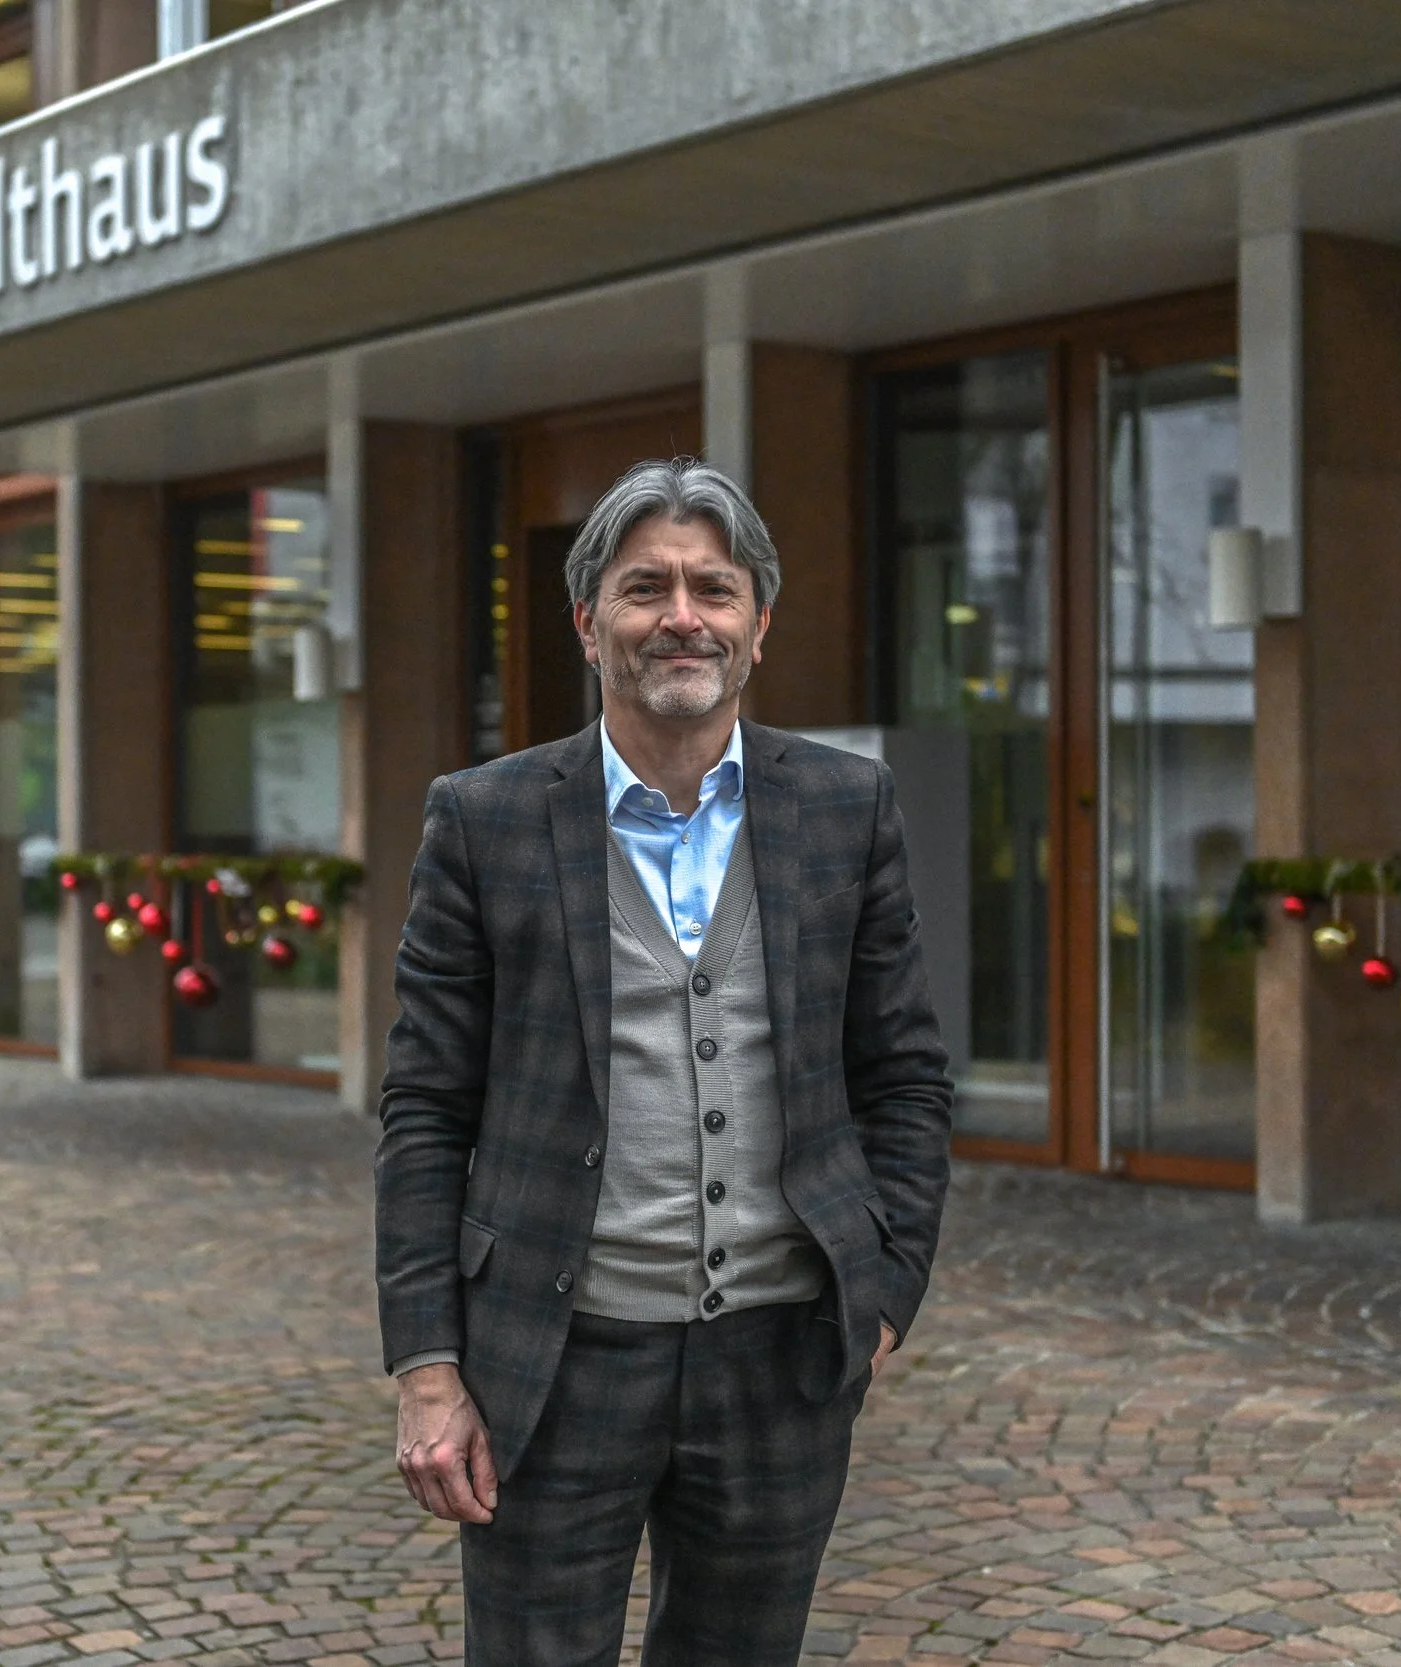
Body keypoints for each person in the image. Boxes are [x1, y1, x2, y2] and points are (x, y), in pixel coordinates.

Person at [374, 457, 954, 1665]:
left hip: (781, 1357)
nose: (682, 616)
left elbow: (902, 1073)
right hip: (553, 1356)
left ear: (758, 624)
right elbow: (426, 1107)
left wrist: (883, 1292)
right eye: (645, 588)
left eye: (713, 588)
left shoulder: (845, 807)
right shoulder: (484, 818)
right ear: (587, 623)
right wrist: (427, 1364)